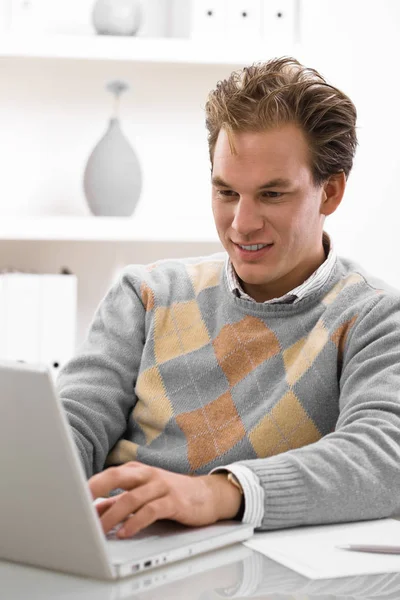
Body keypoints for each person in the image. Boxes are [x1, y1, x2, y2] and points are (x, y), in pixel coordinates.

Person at [58, 56, 400, 540]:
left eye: (272, 195)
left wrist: (218, 493)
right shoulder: (146, 293)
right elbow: (69, 427)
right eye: (226, 192)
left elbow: (383, 459)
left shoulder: (376, 319)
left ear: (331, 193)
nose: (242, 223)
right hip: (123, 552)